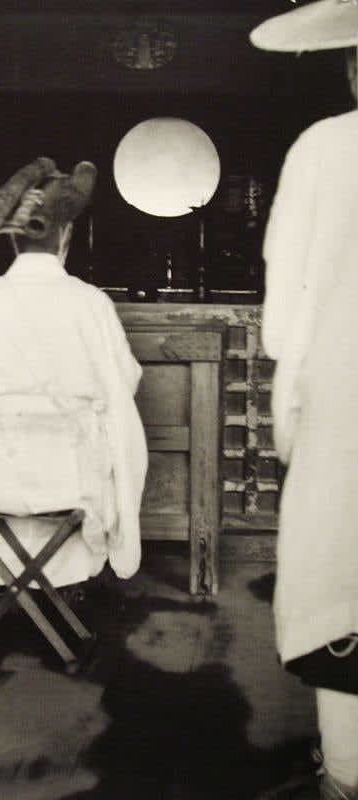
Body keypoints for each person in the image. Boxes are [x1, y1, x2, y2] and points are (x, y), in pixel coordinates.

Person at [0, 158, 147, 588]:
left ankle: (12, 579)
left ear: (12, 242)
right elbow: (124, 381)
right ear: (66, 236)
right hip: (70, 485)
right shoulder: (90, 303)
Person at [251, 2, 358, 798]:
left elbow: (283, 315)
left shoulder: (323, 148)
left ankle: (346, 774)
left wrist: (291, 407)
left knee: (339, 589)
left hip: (344, 404)